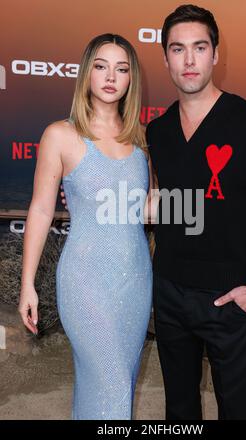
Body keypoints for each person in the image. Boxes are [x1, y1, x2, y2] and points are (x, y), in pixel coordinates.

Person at [145, 5, 246, 420]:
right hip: (171, 295)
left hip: (231, 299)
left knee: (238, 411)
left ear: (216, 54)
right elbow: (165, 203)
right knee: (179, 409)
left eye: (200, 47)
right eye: (178, 49)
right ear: (166, 59)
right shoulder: (157, 132)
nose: (189, 60)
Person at [18, 34, 154, 420]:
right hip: (85, 281)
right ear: (86, 73)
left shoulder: (142, 140)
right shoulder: (59, 135)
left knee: (115, 386)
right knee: (112, 381)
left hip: (135, 281)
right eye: (101, 66)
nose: (111, 76)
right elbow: (42, 211)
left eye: (122, 68)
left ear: (131, 79)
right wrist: (28, 284)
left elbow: (146, 209)